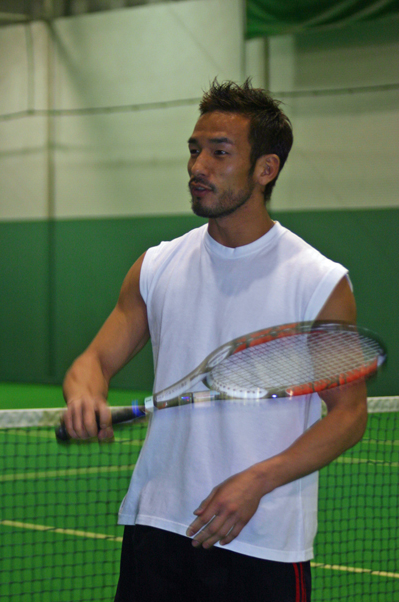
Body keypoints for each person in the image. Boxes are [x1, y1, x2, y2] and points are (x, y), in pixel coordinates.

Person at [63, 79, 368, 602]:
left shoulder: (316, 280)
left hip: (260, 539)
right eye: (194, 149)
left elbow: (349, 414)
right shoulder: (156, 266)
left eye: (219, 152)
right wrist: (85, 393)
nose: (197, 166)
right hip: (157, 525)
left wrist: (257, 480)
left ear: (266, 169)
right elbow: (93, 360)